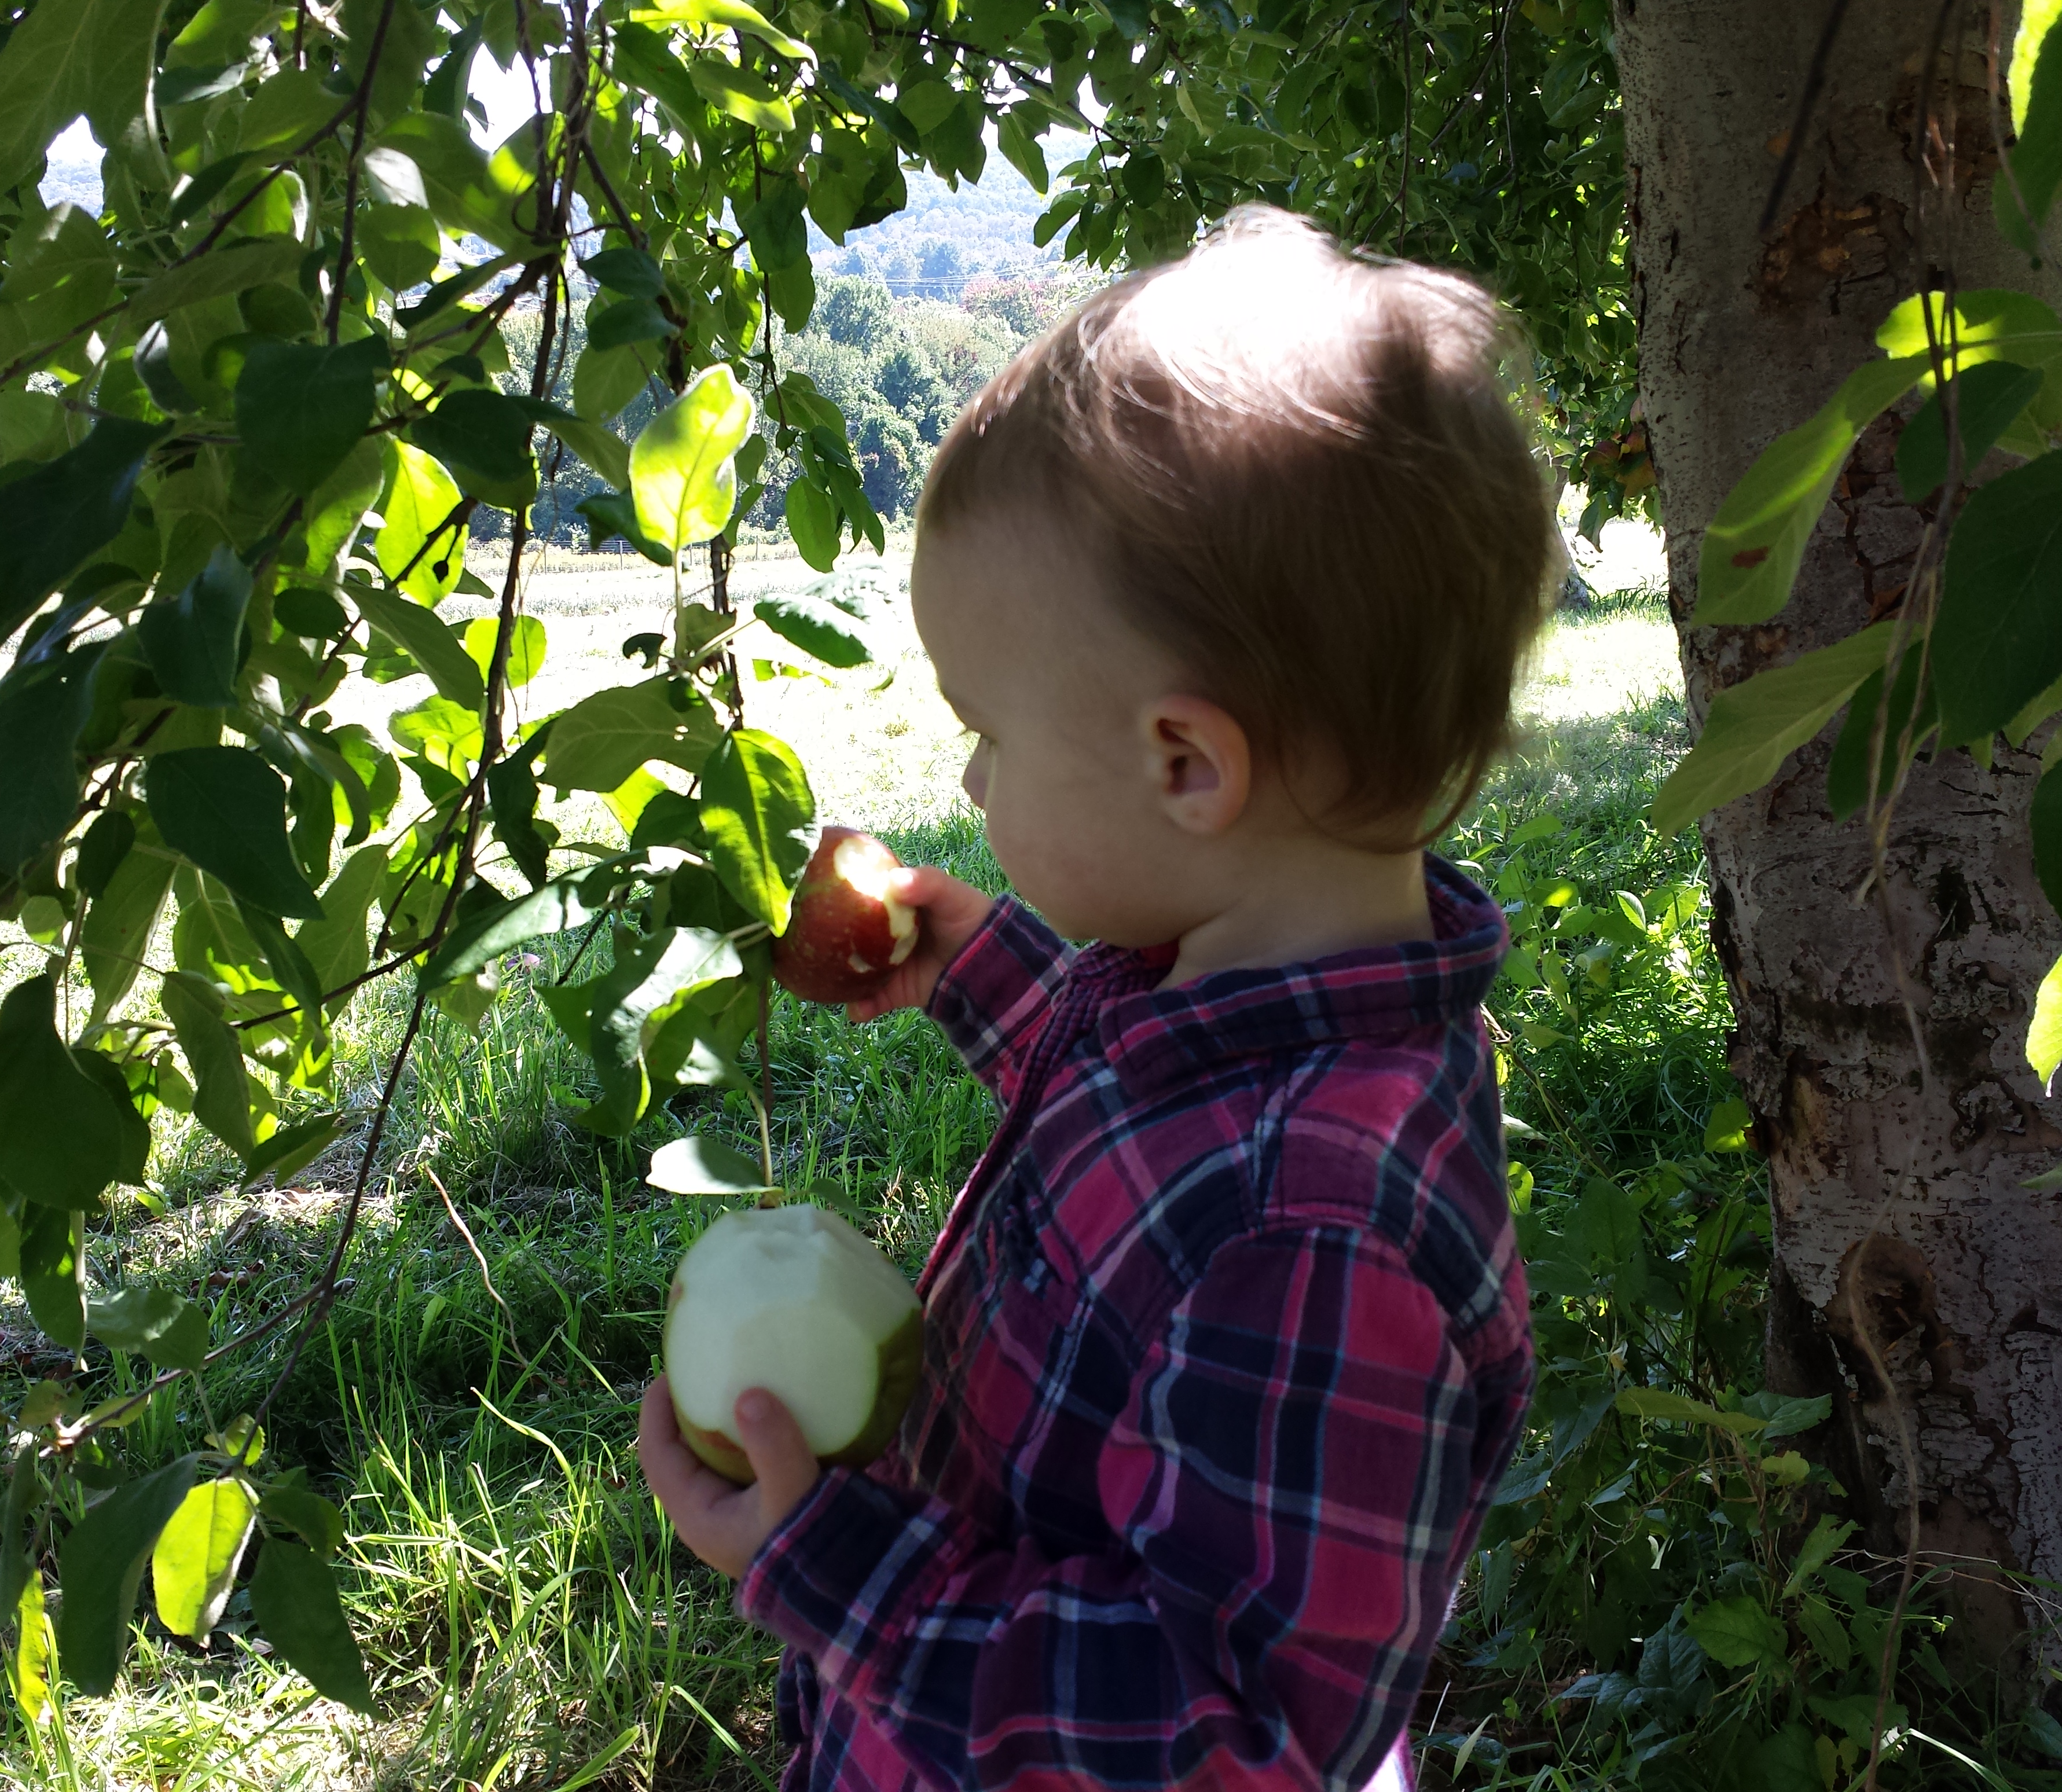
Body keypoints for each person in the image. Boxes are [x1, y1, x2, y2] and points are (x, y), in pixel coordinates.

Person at [638, 204, 1555, 1791]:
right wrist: (972, 962)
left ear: (1184, 765)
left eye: (987, 729)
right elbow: (1140, 1096)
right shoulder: (1258, 994)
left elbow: (1231, 1743)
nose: (973, 774)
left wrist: (837, 1566)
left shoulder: (1318, 1226)